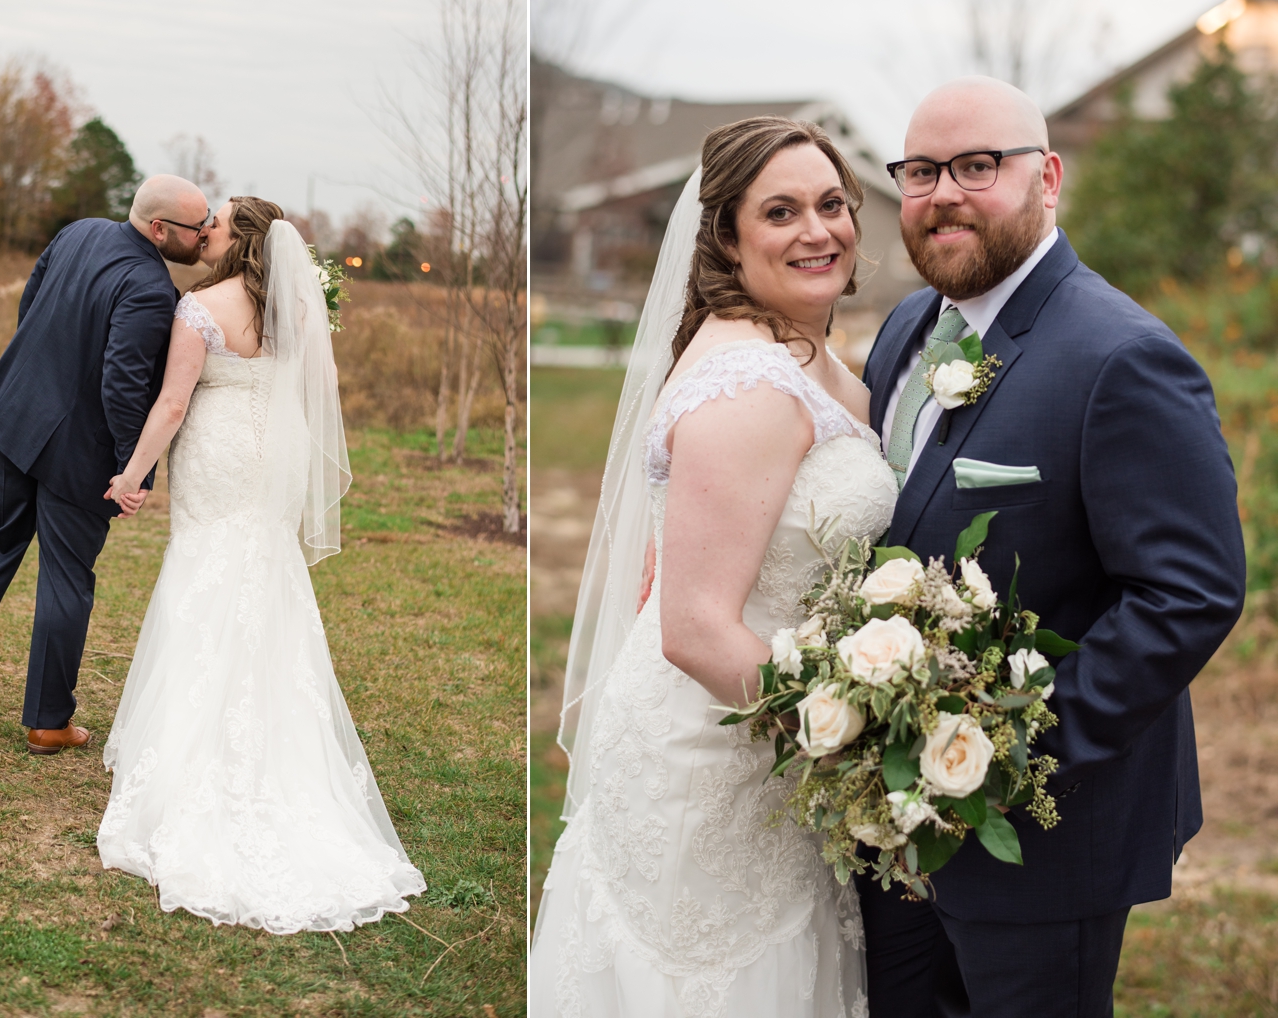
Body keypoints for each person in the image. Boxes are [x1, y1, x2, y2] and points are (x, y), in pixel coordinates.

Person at [857, 76, 1245, 1017]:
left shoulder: (1122, 357)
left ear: (1049, 177)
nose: (942, 192)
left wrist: (1002, 747)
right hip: (885, 821)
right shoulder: (907, 328)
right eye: (919, 171)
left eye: (977, 165)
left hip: (1044, 836)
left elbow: (1188, 592)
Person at [531, 117, 892, 1017]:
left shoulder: (801, 358)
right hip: (715, 759)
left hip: (768, 745)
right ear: (727, 236)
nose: (819, 230)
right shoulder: (750, 385)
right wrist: (854, 750)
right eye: (782, 212)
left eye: (832, 204)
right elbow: (696, 630)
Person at [94, 196, 425, 934]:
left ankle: (192, 757)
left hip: (218, 453)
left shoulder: (199, 310)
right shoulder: (296, 310)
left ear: (238, 238)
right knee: (262, 574)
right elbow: (308, 392)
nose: (203, 230)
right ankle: (276, 742)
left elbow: (174, 403)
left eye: (214, 224)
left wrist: (133, 475)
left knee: (206, 572)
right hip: (272, 456)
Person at [0, 175, 209, 754]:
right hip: (81, 450)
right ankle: (49, 721)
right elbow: (124, 385)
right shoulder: (152, 288)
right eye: (195, 229)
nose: (202, 238)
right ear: (159, 229)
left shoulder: (78, 233)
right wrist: (133, 469)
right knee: (67, 576)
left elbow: (31, 305)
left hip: (16, 414)